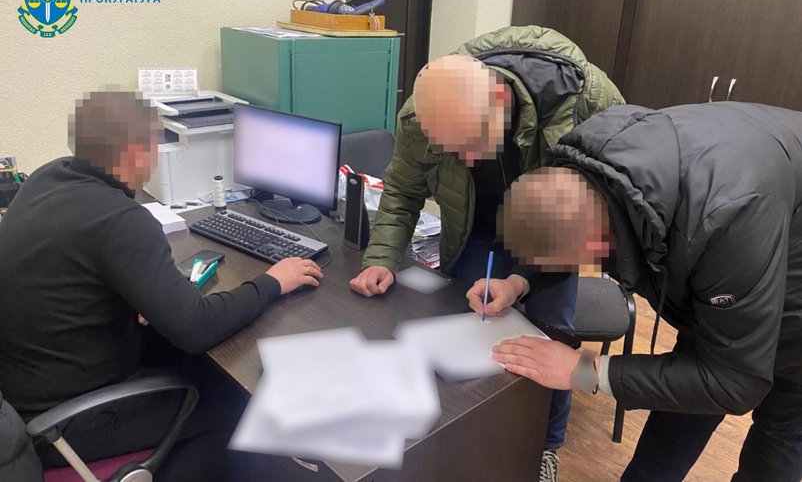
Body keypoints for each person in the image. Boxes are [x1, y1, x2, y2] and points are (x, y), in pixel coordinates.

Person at [0, 90, 324, 481]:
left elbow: (70, 271)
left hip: (27, 387)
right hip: (64, 420)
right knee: (238, 399)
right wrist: (272, 282)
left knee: (192, 356)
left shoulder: (48, 177)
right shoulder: (120, 220)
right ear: (136, 153)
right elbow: (196, 327)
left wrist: (131, 294)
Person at [348, 25, 624, 481]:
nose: (467, 158)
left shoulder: (585, 104)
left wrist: (521, 280)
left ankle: (545, 447)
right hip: (474, 227)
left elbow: (597, 211)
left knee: (552, 340)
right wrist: (381, 257)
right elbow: (402, 190)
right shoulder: (423, 115)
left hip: (557, 228)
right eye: (451, 148)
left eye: (473, 141)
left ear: (499, 100)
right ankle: (471, 439)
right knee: (467, 331)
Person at [492, 102, 802, 482]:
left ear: (598, 243)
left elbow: (735, 383)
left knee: (780, 432)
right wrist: (518, 282)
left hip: (790, 305)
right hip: (746, 234)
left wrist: (583, 371)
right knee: (683, 402)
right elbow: (562, 226)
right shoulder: (589, 168)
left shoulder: (724, 222)